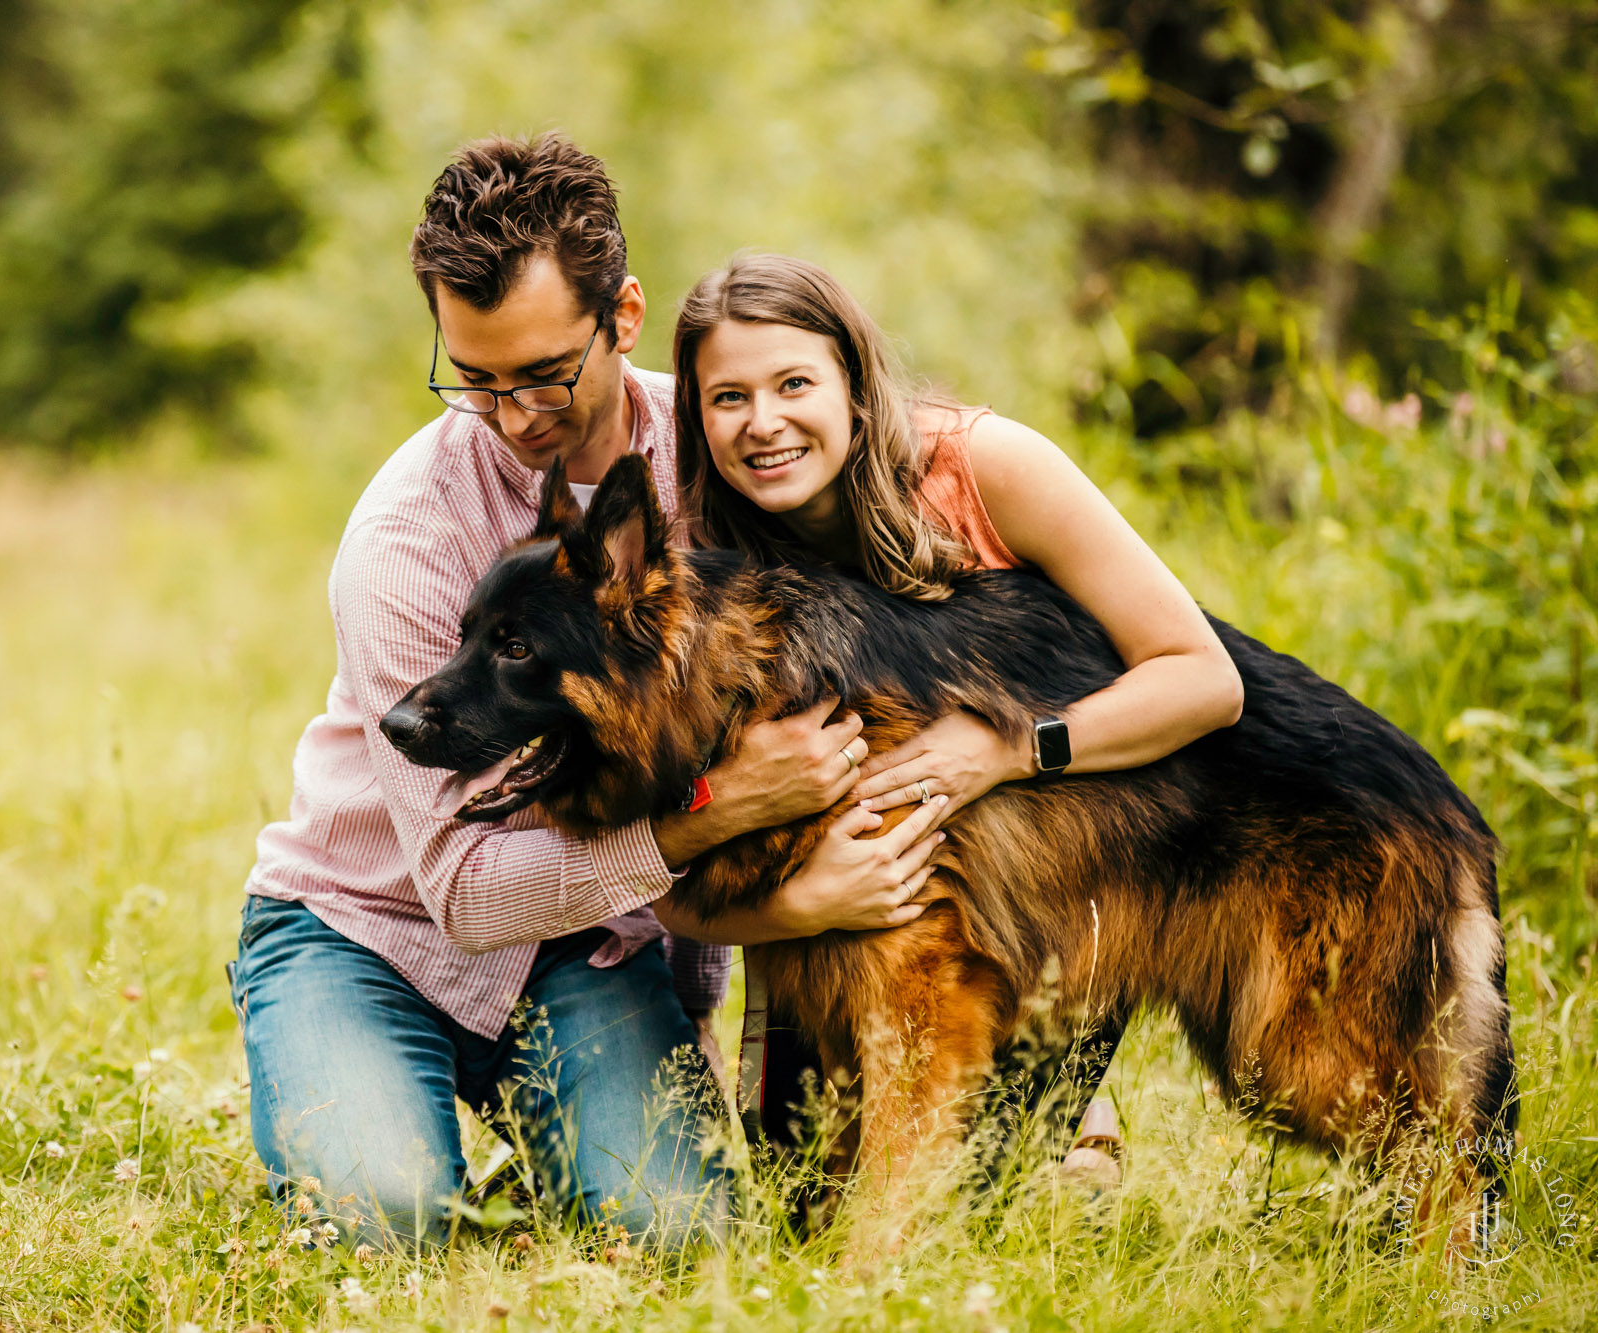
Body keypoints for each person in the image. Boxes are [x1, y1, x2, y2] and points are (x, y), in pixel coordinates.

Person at [229, 137, 953, 1250]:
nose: (515, 414)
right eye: (475, 378)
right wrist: (716, 814)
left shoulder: (722, 443)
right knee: (382, 1220)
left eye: (545, 373)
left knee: (681, 1236)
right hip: (366, 929)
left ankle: (555, 1154)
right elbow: (465, 895)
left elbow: (884, 510)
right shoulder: (406, 539)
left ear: (621, 314)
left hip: (585, 943)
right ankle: (364, 1101)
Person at [666, 252, 1248, 1179]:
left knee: (975, 1189)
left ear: (854, 386)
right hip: (842, 916)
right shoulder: (703, 554)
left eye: (793, 383)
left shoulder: (982, 468)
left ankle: (1076, 1112)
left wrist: (1012, 749)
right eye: (727, 397)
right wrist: (796, 904)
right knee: (803, 1192)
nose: (763, 422)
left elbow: (1204, 680)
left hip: (1042, 874)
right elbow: (665, 849)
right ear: (695, 418)